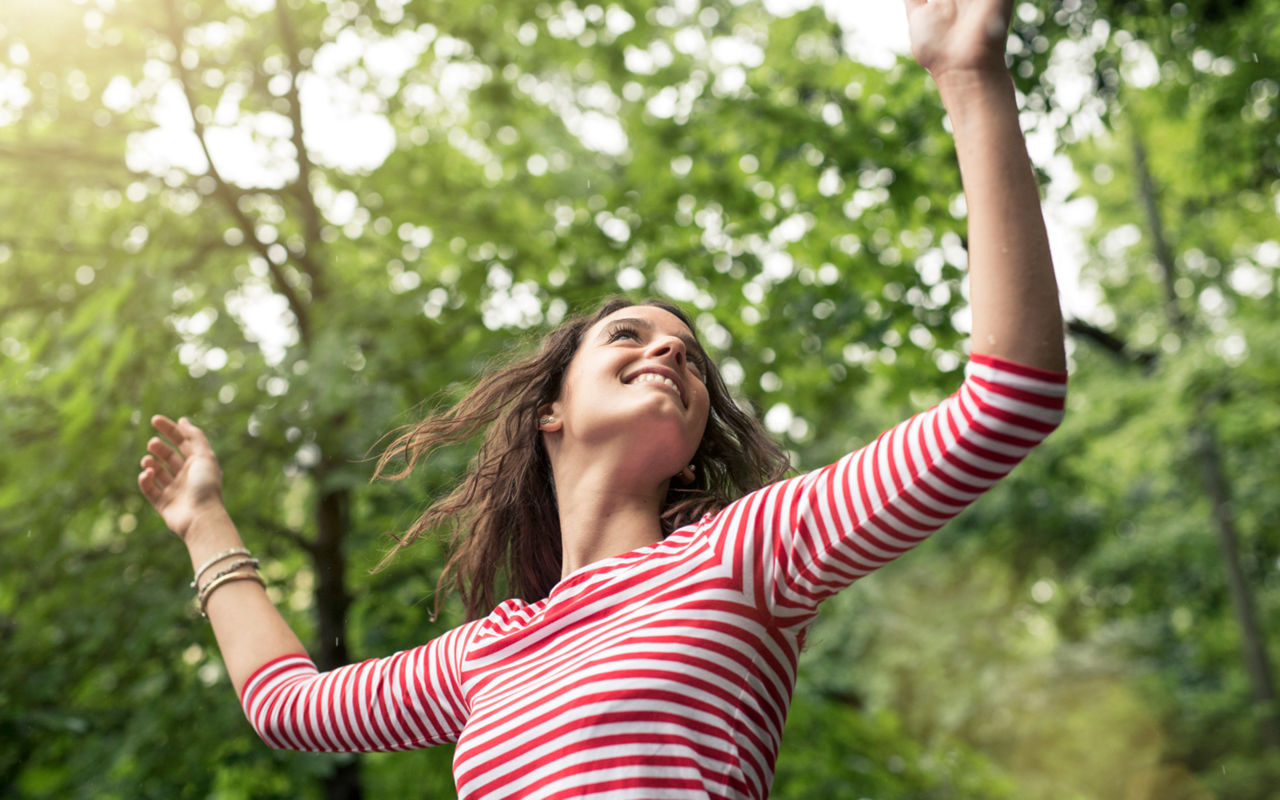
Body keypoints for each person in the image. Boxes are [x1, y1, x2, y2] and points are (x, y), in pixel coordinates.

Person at [137, 1, 1068, 796]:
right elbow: (288, 705)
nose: (670, 349)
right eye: (630, 335)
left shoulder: (747, 552)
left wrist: (967, 77)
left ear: (698, 433)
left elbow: (1007, 403)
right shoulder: (484, 654)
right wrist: (203, 519)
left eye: (692, 357)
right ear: (550, 409)